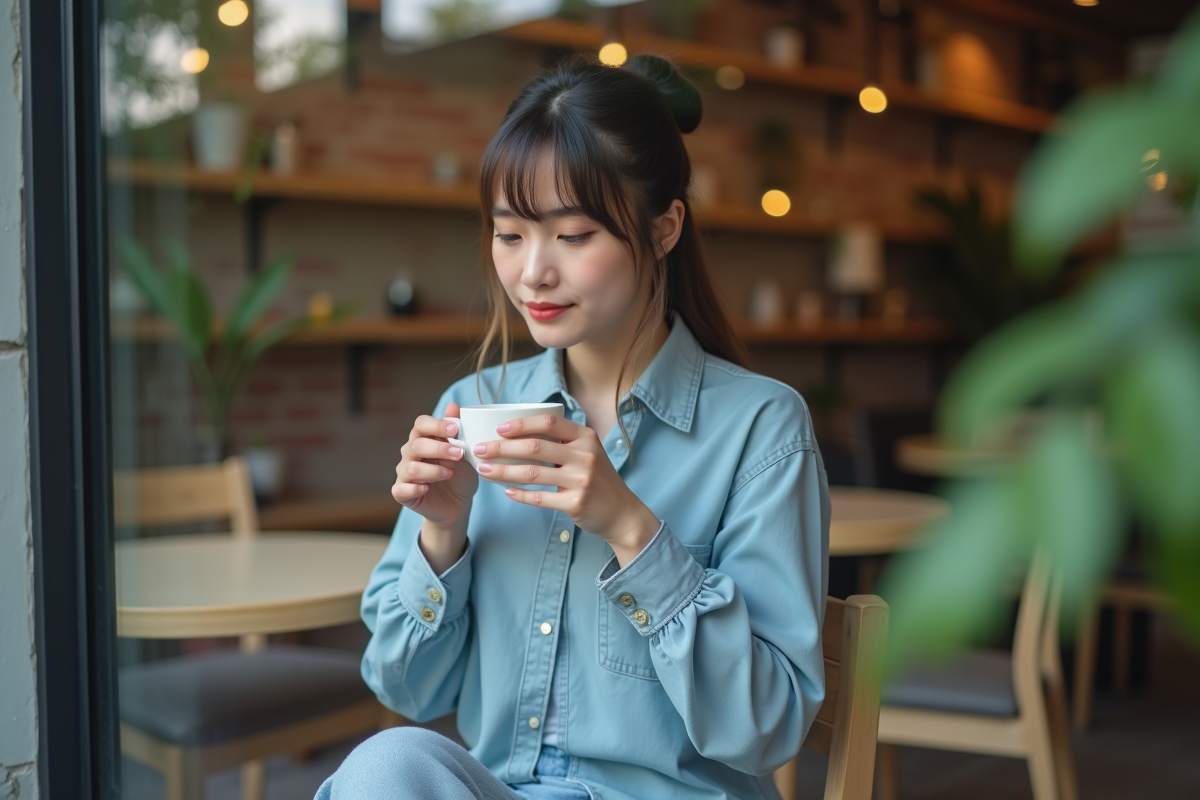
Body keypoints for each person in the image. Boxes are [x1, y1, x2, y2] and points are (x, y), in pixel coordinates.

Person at [316, 54, 829, 800]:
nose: (532, 274)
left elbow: (767, 729)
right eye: (510, 234)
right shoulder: (474, 401)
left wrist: (632, 530)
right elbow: (406, 689)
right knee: (386, 767)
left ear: (663, 229)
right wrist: (440, 536)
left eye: (574, 234)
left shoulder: (761, 427)